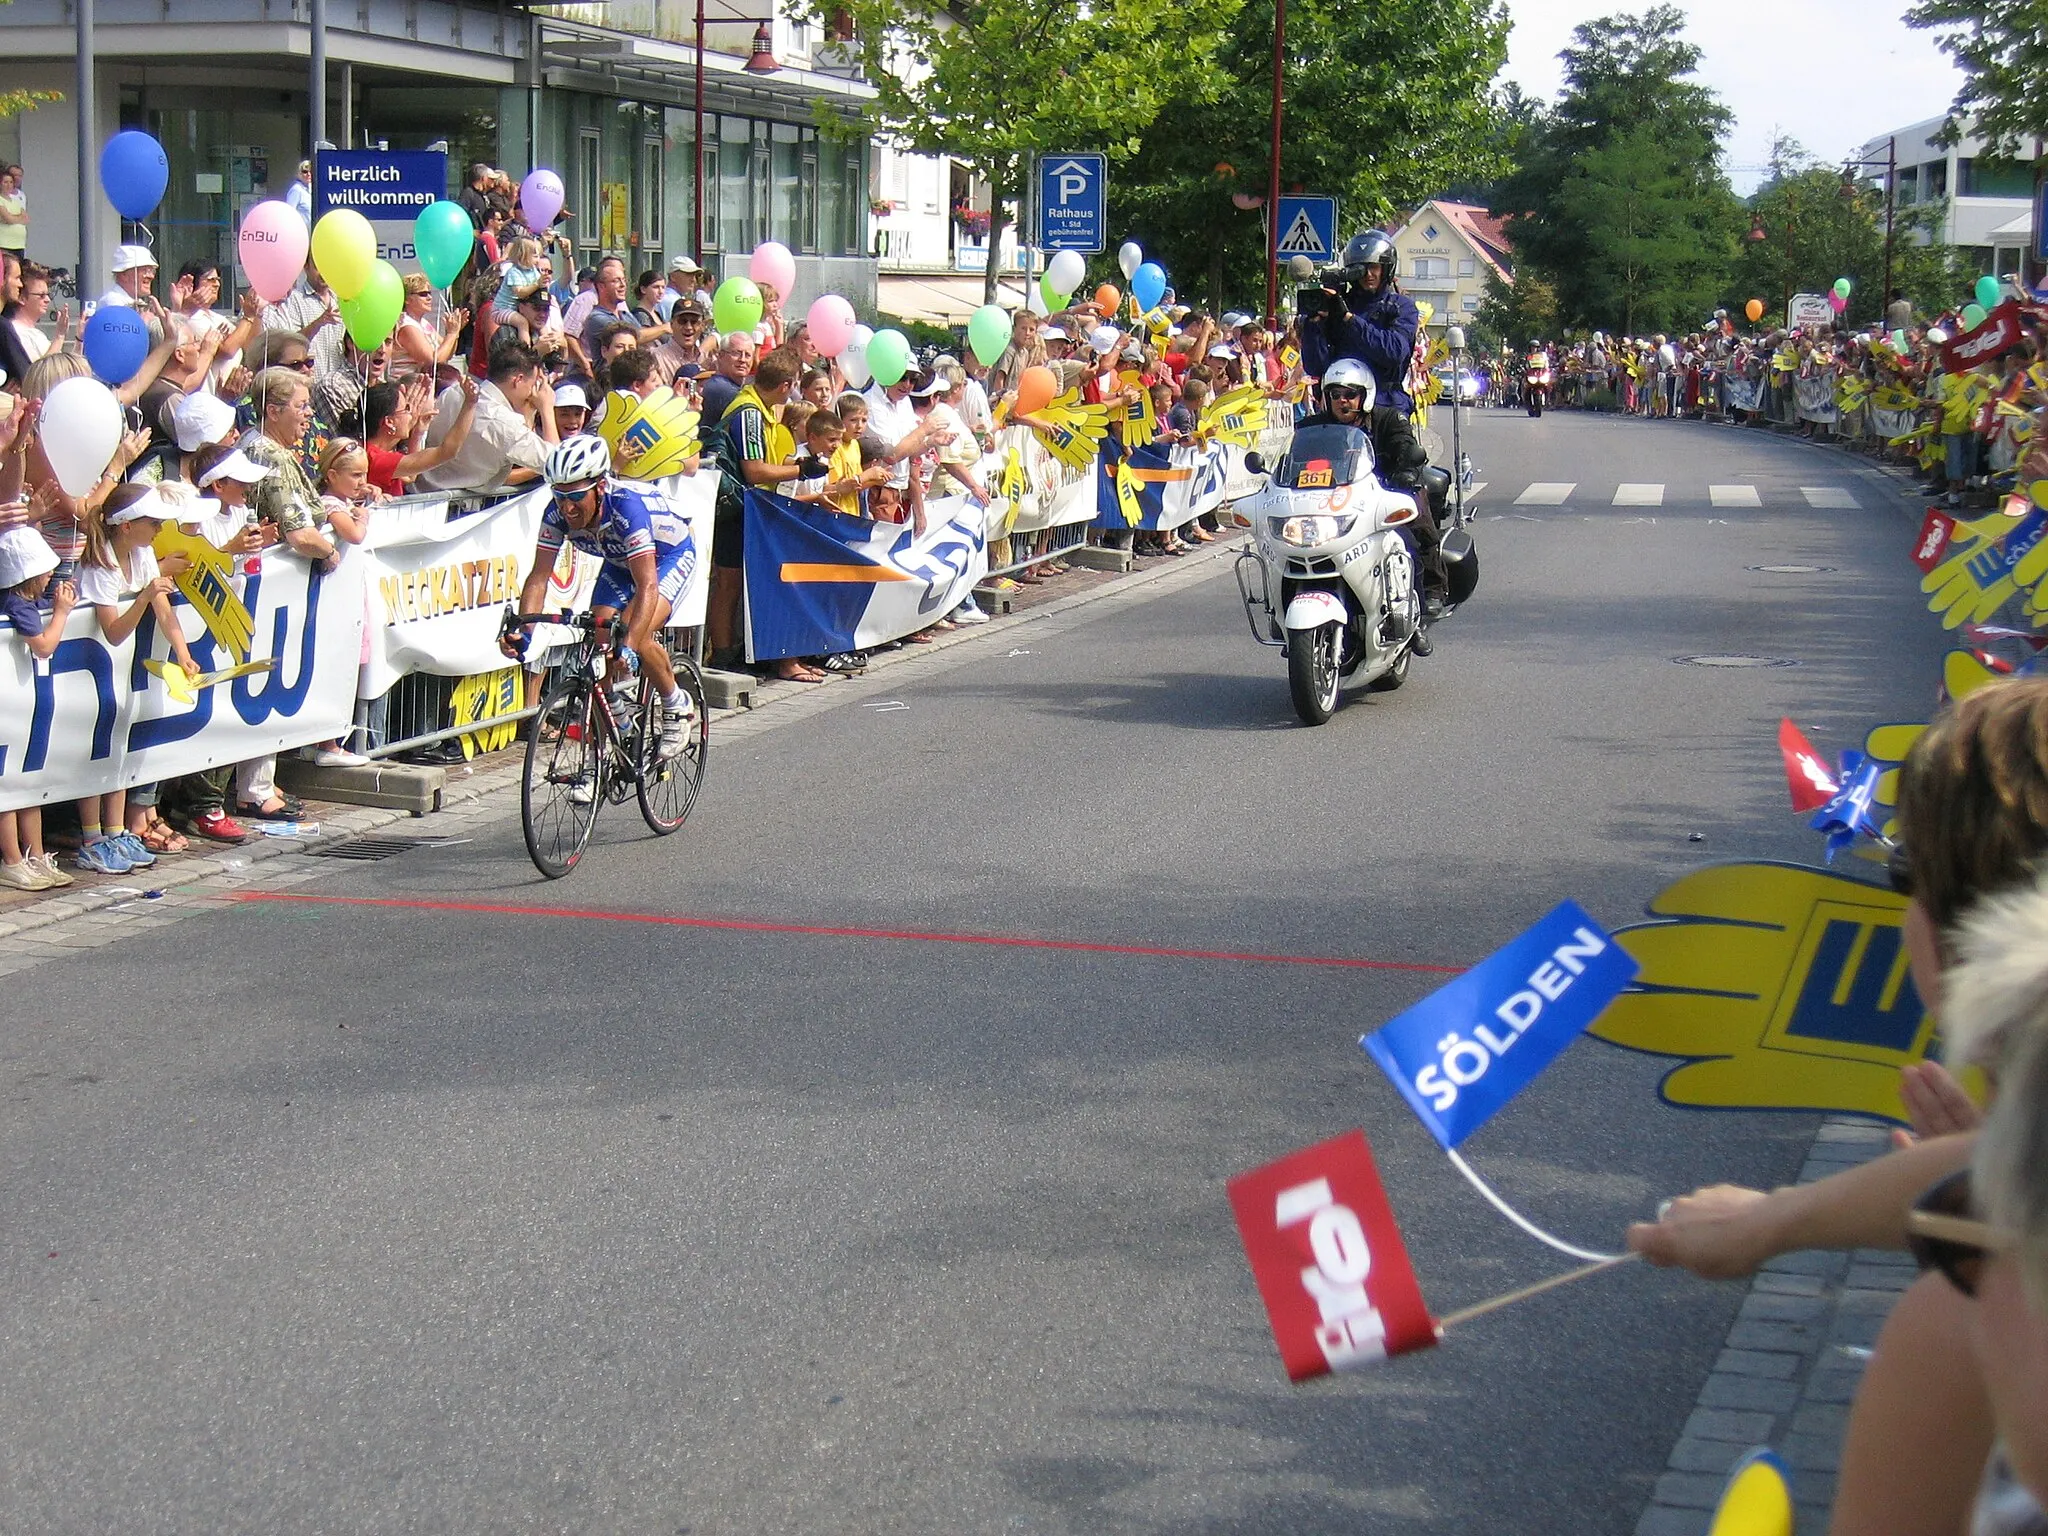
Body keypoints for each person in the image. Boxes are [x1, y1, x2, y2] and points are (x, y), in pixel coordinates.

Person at [504, 433, 699, 755]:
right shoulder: (555, 514)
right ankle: (609, 732)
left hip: (668, 556)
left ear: (600, 486)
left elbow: (648, 586)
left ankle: (677, 704)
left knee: (637, 628)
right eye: (559, 495)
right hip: (620, 562)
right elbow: (539, 577)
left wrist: (630, 647)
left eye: (576, 496)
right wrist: (525, 631)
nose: (567, 507)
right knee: (600, 630)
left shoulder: (626, 508)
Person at [74, 485, 200, 872]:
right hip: (92, 668)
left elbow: (164, 611)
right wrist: (143, 597)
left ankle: (115, 830)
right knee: (96, 748)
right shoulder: (100, 566)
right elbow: (112, 630)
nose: (160, 529)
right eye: (154, 522)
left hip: (122, 668)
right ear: (127, 526)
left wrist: (183, 652)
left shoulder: (142, 553)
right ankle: (92, 836)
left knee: (120, 744)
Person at [1296, 356, 1446, 645]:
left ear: (1364, 395)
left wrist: (1405, 471)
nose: (1342, 401)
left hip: (1383, 494)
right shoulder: (1313, 427)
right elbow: (1295, 460)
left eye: (1350, 394)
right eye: (1335, 395)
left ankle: (1421, 607)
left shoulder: (1389, 420)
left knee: (1411, 536)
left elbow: (1409, 449)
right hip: (1334, 503)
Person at [0, 525, 73, 889]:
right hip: (10, 702)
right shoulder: (17, 604)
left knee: (29, 783)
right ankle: (13, 858)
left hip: (24, 700)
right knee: (10, 783)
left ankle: (36, 853)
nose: (50, 576)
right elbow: (44, 645)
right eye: (45, 570)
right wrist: (61, 612)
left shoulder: (29, 602)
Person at [414, 340, 556, 493]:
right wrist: (547, 409)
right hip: (460, 510)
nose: (534, 392)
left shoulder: (454, 392)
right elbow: (556, 464)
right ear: (518, 380)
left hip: (422, 490)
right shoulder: (506, 424)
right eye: (534, 383)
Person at [356, 374, 479, 496]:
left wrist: (417, 433)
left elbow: (410, 477)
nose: (412, 413)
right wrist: (470, 403)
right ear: (389, 422)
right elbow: (447, 451)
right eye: (406, 408)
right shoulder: (378, 460)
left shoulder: (374, 451)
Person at [392, 273, 466, 386]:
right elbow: (434, 362)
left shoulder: (422, 323)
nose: (429, 297)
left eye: (429, 293)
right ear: (407, 299)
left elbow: (447, 354)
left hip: (422, 386)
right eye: (423, 294)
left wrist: (455, 332)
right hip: (406, 388)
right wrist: (452, 333)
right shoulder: (407, 325)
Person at [699, 331, 755, 430]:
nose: (742, 360)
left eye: (747, 355)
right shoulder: (721, 388)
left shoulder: (726, 384)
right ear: (720, 356)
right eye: (736, 353)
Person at [97, 244, 159, 311]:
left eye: (152, 271)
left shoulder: (137, 303)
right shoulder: (113, 302)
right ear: (123, 275)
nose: (151, 276)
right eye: (144, 270)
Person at [0, 164, 29, 257]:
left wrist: (13, 218)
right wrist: (16, 218)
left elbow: (26, 219)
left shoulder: (19, 198)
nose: (9, 185)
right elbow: (8, 218)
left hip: (19, 244)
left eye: (11, 182)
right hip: (4, 243)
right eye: (6, 182)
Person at [286, 159, 314, 225]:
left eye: (311, 171)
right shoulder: (296, 190)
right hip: (300, 232)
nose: (308, 174)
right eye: (305, 172)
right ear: (299, 174)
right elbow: (289, 214)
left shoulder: (311, 190)